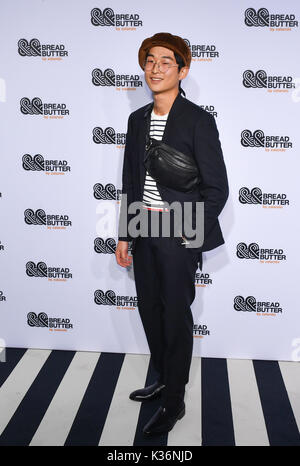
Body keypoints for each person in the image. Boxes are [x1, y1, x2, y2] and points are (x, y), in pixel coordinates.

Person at [115, 32, 229, 435]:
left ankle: (175, 401)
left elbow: (218, 188)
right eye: (150, 60)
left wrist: (190, 232)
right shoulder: (137, 120)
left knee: (176, 318)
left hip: (178, 234)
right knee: (150, 309)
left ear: (183, 70)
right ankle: (163, 377)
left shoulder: (198, 120)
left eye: (166, 61)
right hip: (143, 228)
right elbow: (131, 179)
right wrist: (126, 233)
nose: (156, 68)